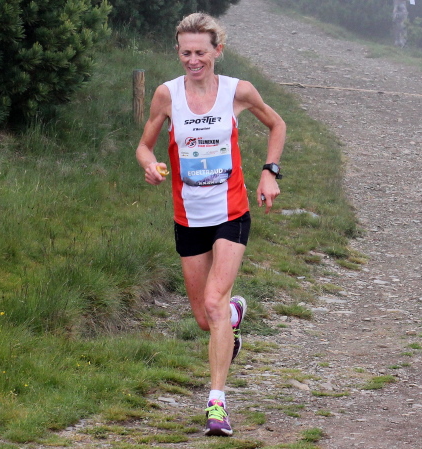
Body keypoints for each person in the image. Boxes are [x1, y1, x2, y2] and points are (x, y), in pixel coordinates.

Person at [135, 12, 286, 437]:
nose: (193, 60)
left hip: (231, 213)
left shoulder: (239, 91)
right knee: (206, 317)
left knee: (214, 305)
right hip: (188, 218)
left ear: (217, 51)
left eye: (201, 52)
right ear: (178, 52)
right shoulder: (167, 95)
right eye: (186, 52)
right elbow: (144, 146)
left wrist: (269, 172)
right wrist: (150, 165)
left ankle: (216, 404)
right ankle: (235, 314)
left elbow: (277, 124)